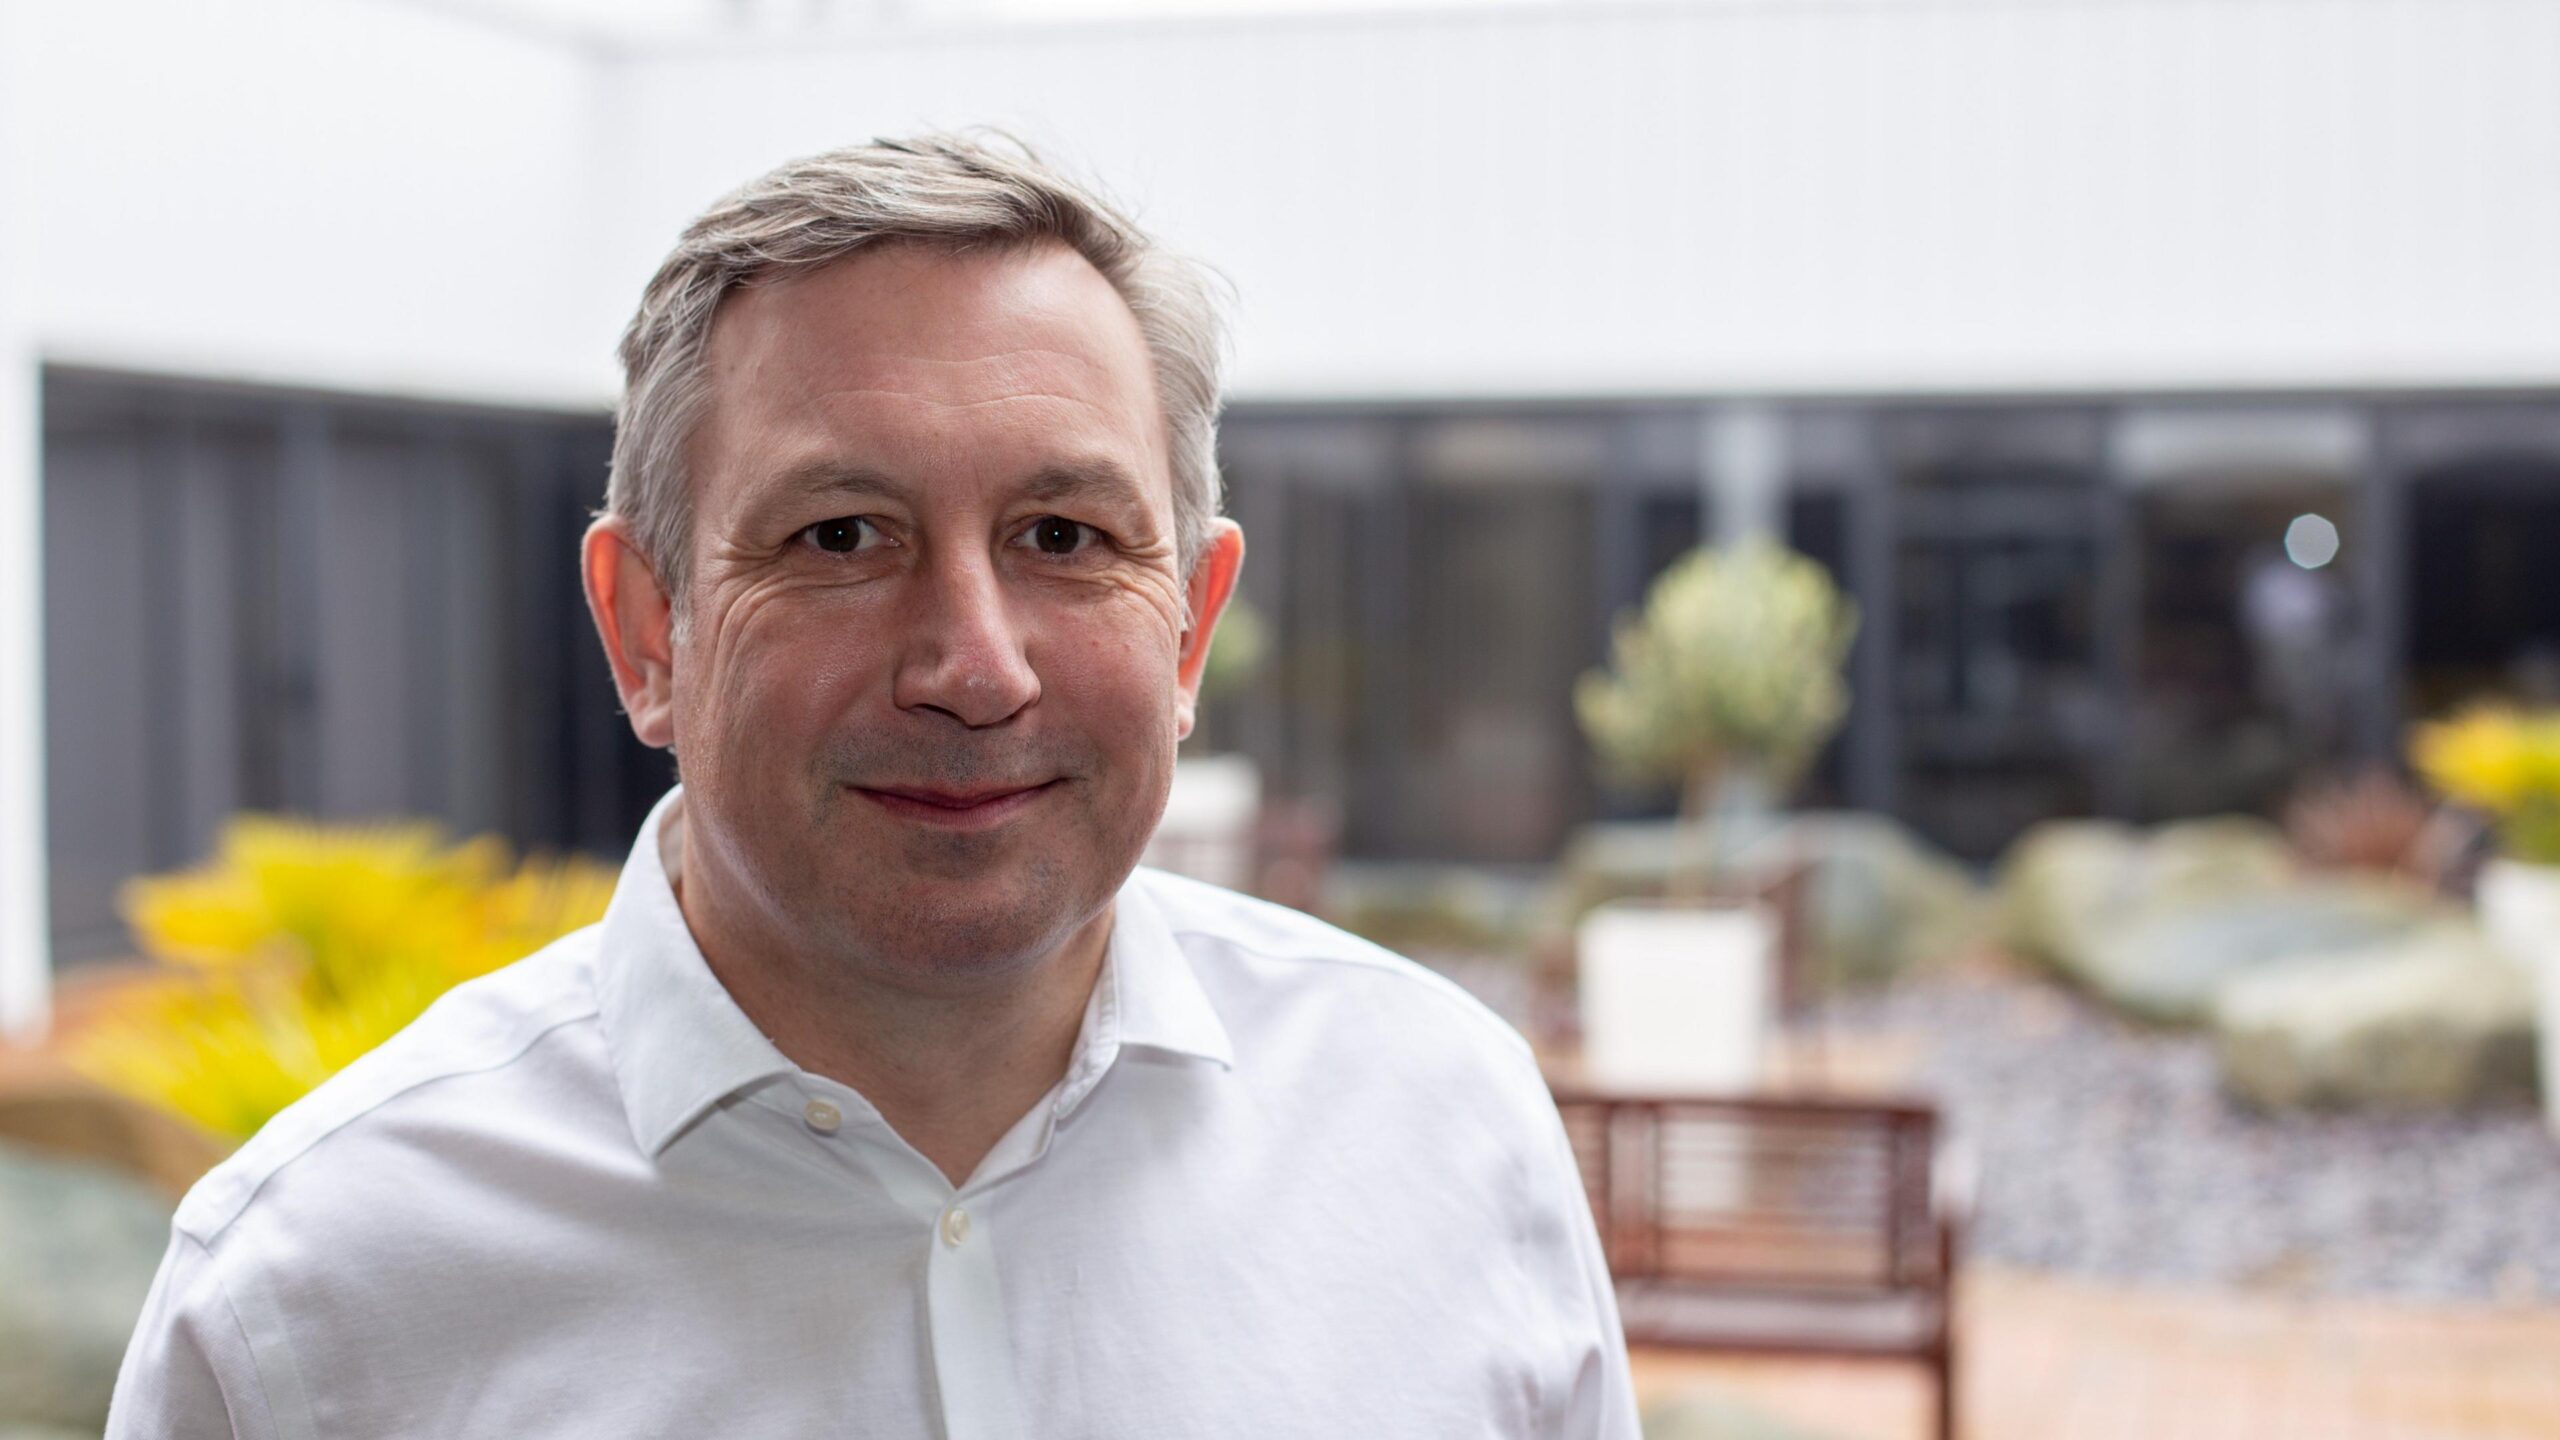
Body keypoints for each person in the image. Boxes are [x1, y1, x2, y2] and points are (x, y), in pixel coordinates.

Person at [105, 134, 1639, 1439]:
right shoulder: (311, 1298)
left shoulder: (1445, 1132)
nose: (977, 667)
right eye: (842, 535)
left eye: (1065, 537)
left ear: (1195, 627)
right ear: (649, 633)